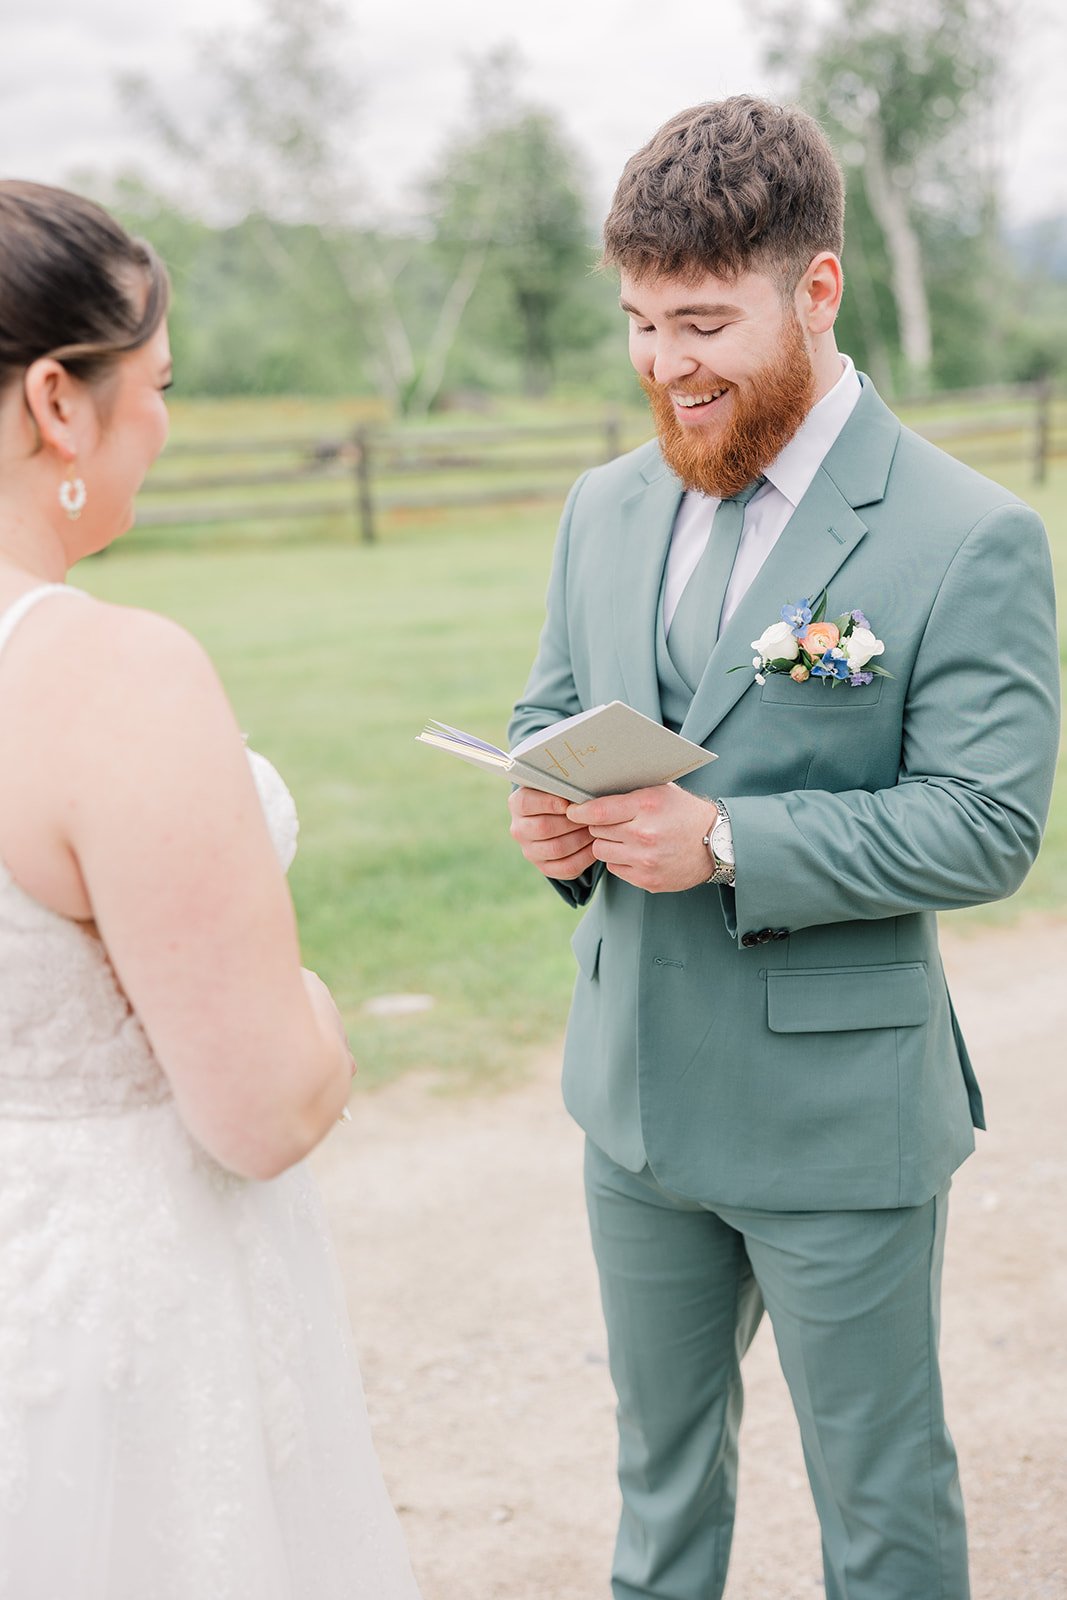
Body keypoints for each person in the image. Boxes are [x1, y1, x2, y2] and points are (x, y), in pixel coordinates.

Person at [507, 97, 1059, 1600]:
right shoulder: (603, 505)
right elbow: (555, 707)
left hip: (837, 1120)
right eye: (638, 321)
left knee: (878, 1504)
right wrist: (550, 816)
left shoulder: (969, 535)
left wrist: (733, 839)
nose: (664, 366)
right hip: (631, 1102)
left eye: (701, 320)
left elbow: (991, 822)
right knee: (657, 1488)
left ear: (815, 290)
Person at [0, 181, 421, 1600]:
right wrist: (309, 1009)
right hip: (119, 1327)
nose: (165, 425)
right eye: (157, 384)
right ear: (60, 402)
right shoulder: (107, 676)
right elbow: (262, 1109)